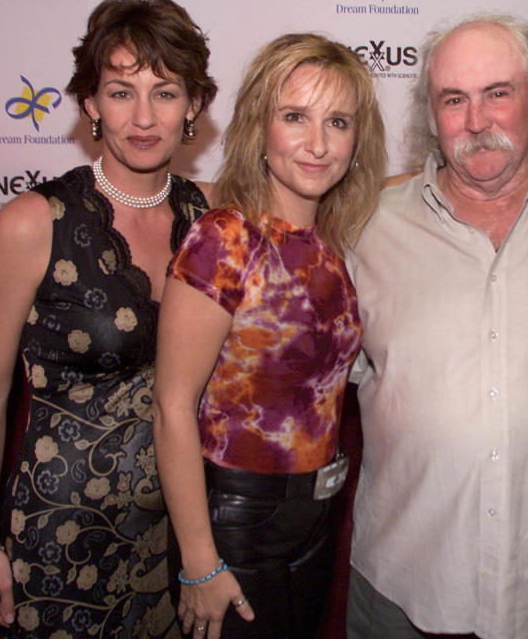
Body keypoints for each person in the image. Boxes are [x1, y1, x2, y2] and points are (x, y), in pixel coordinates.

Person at [344, 14, 528, 639]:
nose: (476, 121)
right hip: (402, 588)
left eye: (498, 93)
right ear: (430, 113)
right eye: (454, 100)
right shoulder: (368, 228)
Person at [0, 0, 217, 638]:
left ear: (194, 106)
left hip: (180, 542)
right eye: (121, 91)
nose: (143, 116)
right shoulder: (31, 224)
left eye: (164, 92)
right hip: (60, 537)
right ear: (90, 105)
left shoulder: (213, 218)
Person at [151, 32, 385, 639]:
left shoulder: (332, 241)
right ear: (260, 126)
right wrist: (200, 563)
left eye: (337, 122)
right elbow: (171, 407)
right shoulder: (224, 239)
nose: (317, 143)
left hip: (318, 515)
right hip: (235, 521)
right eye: (295, 117)